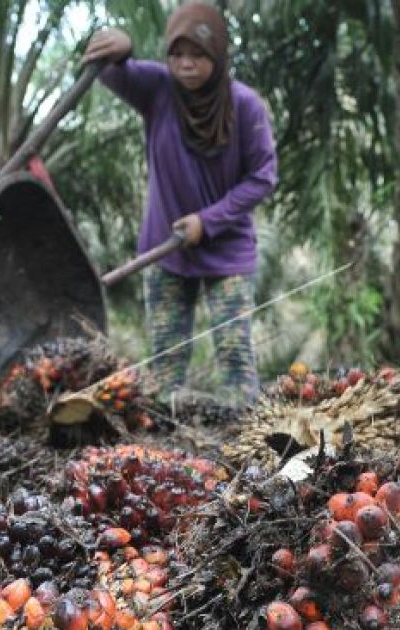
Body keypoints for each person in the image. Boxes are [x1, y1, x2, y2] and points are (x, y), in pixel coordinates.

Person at [82, 2, 278, 407]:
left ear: (218, 56)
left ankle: (246, 447)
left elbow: (263, 176)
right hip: (165, 251)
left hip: (228, 254)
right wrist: (121, 47)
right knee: (165, 368)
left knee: (235, 358)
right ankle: (166, 452)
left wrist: (207, 222)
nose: (186, 65)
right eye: (177, 54)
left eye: (198, 55)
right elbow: (105, 69)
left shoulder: (245, 106)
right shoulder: (158, 90)